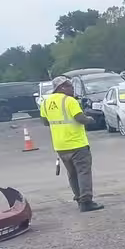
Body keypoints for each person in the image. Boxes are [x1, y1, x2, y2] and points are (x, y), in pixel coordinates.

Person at [40, 76, 104, 212]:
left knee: (72, 174)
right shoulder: (69, 101)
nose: (72, 88)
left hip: (60, 146)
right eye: (70, 86)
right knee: (83, 172)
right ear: (61, 87)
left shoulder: (45, 102)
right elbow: (80, 119)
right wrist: (91, 119)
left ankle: (79, 198)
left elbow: (45, 122)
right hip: (77, 143)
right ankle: (86, 202)